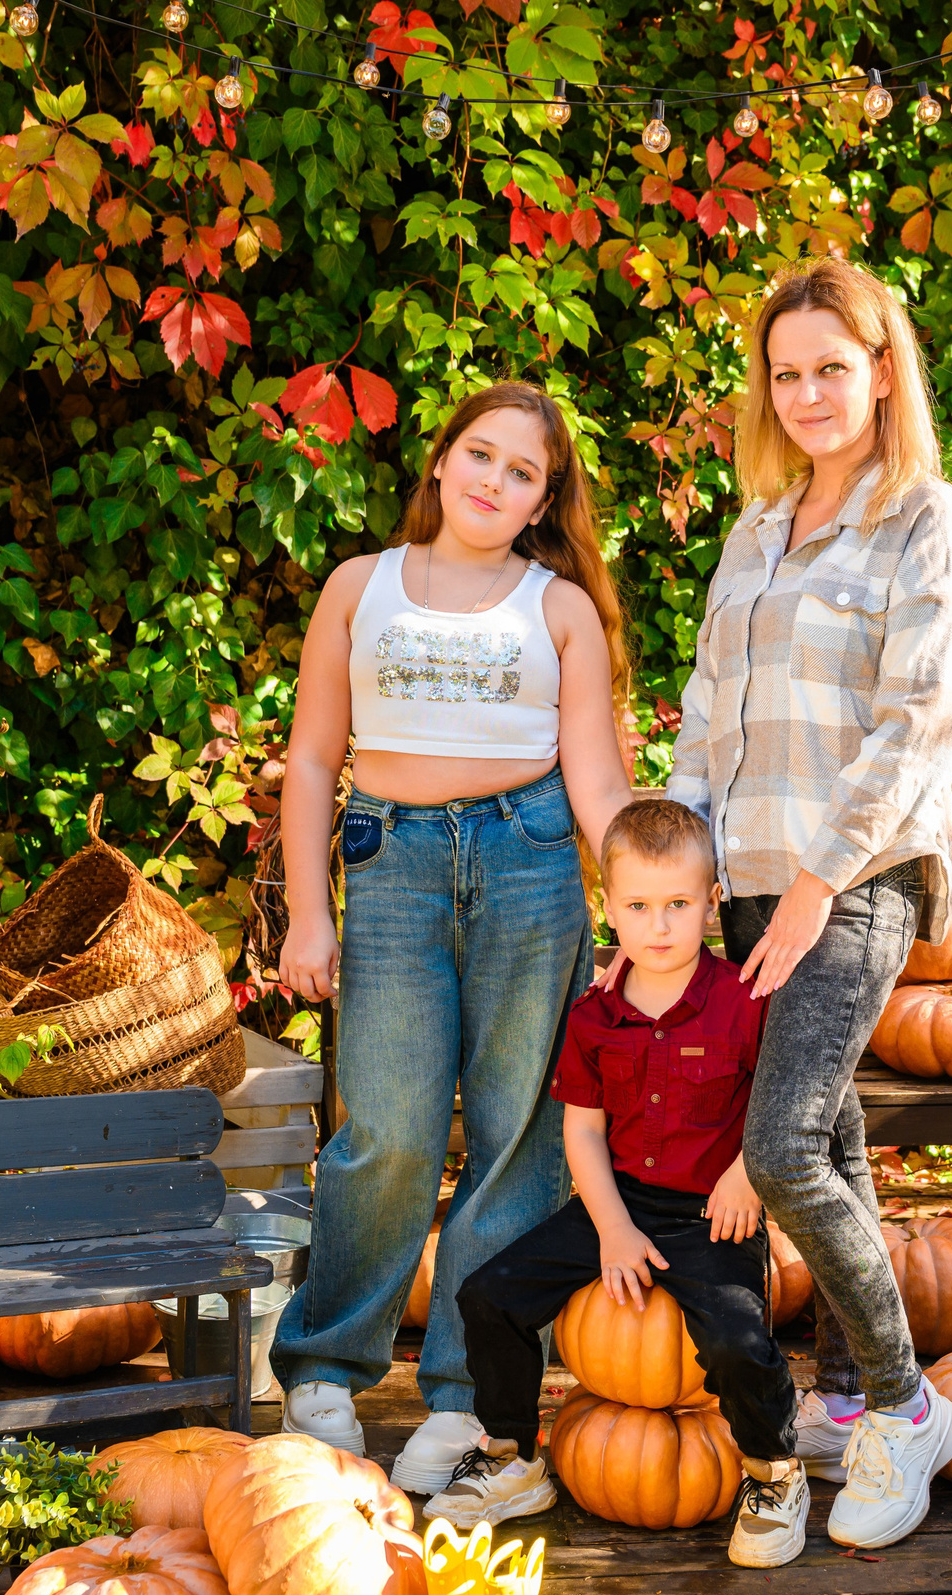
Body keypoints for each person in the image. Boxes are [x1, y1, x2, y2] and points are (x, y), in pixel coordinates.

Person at [667, 257, 952, 1550]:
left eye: (831, 369)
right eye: (786, 372)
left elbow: (916, 727)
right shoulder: (758, 526)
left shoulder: (925, 523)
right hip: (746, 881)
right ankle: (849, 1394)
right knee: (836, 1140)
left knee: (784, 1147)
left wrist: (814, 885)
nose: (806, 393)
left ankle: (907, 1405)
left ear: (883, 371)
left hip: (855, 882)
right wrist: (683, 866)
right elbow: (706, 710)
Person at [272, 381, 632, 1495]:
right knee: (385, 1124)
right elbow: (314, 760)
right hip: (394, 863)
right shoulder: (359, 586)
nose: (493, 480)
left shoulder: (559, 609)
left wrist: (643, 917)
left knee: (519, 1130)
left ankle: (470, 1389)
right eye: (480, 454)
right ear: (440, 460)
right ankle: (326, 1364)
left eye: (522, 473)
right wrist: (309, 910)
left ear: (541, 503)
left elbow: (598, 780)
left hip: (530, 861)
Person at [427, 799, 807, 1566]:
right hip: (620, 1198)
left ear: (711, 902)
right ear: (609, 907)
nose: (658, 925)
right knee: (489, 1294)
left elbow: (784, 1102)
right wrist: (612, 1228)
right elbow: (584, 1132)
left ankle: (775, 1471)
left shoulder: (745, 1000)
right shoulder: (594, 1015)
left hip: (714, 1208)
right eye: (638, 906)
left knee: (736, 1339)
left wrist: (747, 1177)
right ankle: (512, 1457)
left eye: (678, 905)